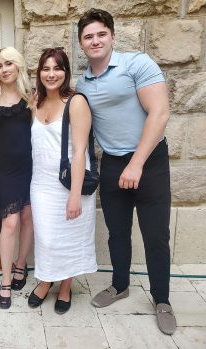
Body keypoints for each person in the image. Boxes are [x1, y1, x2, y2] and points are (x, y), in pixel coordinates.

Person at [76, 8, 175, 334]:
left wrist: (137, 164)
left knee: (156, 235)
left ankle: (162, 299)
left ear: (113, 36)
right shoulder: (82, 82)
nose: (95, 40)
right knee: (117, 233)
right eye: (88, 36)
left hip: (149, 162)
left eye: (101, 34)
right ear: (81, 43)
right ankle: (120, 285)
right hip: (114, 164)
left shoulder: (137, 64)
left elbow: (159, 113)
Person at [27, 48, 97, 314]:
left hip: (70, 183)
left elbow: (79, 151)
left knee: (69, 237)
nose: (51, 74)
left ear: (66, 72)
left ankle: (65, 286)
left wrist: (75, 194)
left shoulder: (76, 102)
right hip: (41, 183)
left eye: (57, 68)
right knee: (47, 238)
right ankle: (45, 281)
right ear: (39, 73)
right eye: (46, 68)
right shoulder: (36, 101)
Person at [0, 47, 34, 309]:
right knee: (10, 223)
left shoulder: (31, 96)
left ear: (18, 66)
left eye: (9, 63)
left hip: (30, 167)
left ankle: (20, 263)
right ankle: (6, 279)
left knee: (27, 218)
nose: (4, 69)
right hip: (5, 170)